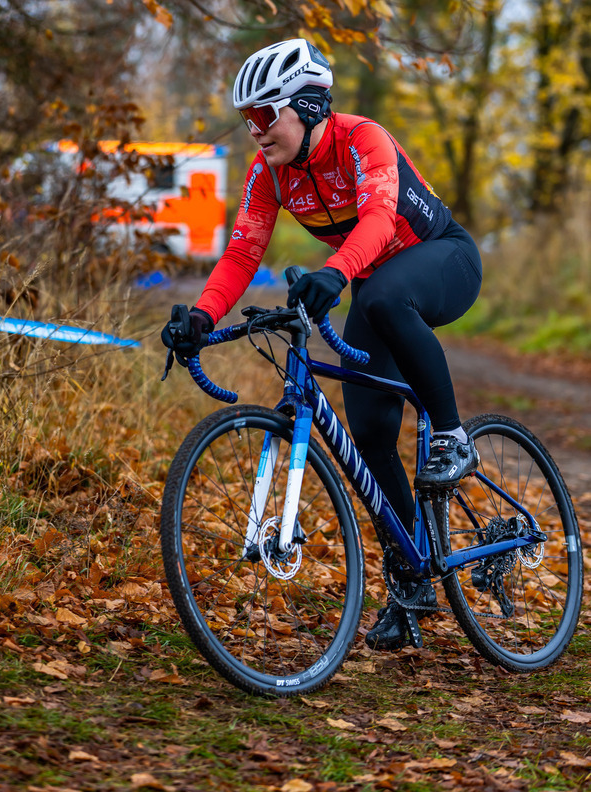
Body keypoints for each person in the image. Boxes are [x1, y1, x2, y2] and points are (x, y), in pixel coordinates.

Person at [161, 38, 482, 651]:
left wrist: (334, 273)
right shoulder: (269, 174)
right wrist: (201, 315)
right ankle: (411, 582)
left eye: (263, 115)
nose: (254, 131)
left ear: (307, 106)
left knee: (383, 296)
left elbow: (381, 221)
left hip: (442, 260)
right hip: (372, 279)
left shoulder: (364, 139)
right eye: (245, 119)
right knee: (368, 432)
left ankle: (453, 435)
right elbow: (241, 252)